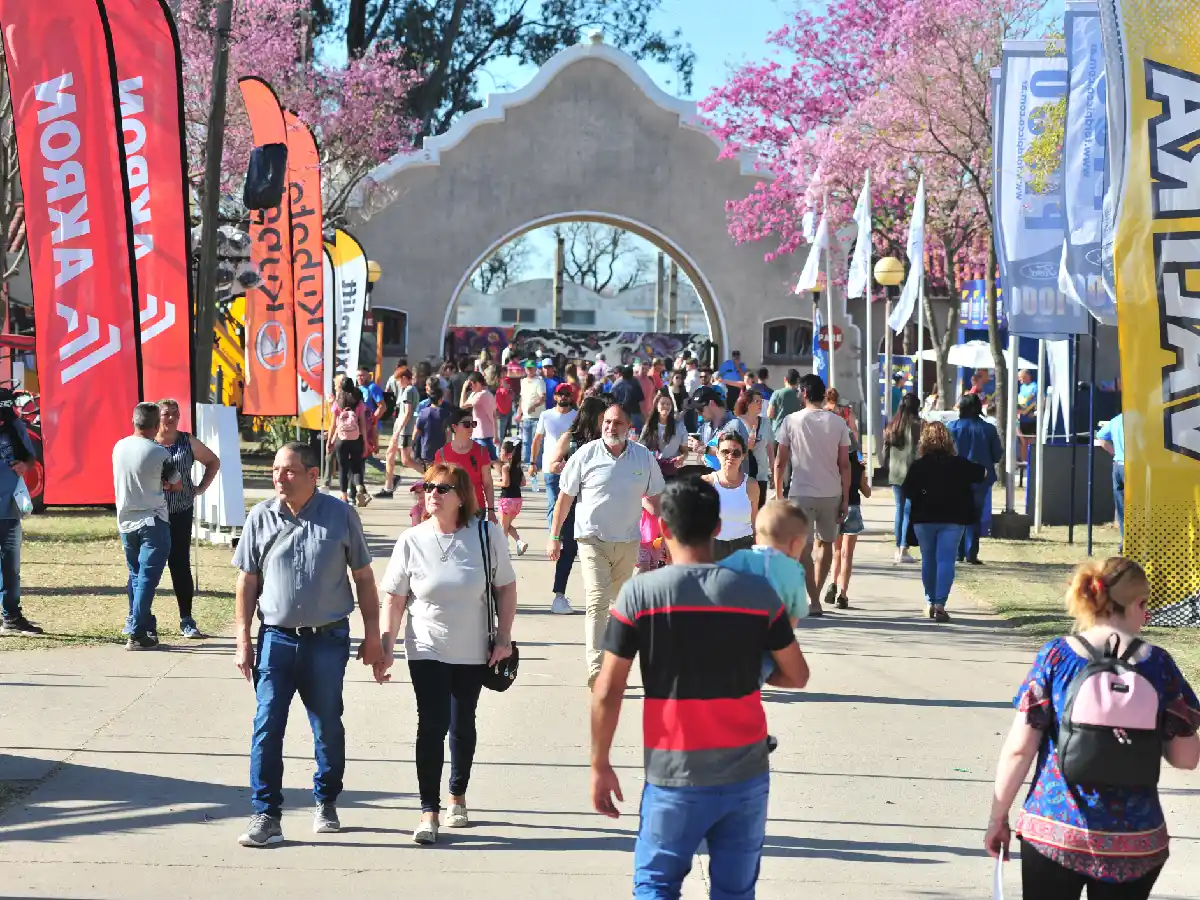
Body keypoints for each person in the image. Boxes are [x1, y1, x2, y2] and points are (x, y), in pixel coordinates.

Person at [590, 478, 810, 899]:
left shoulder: (640, 595)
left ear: (664, 531)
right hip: (744, 771)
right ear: (715, 528)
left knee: (656, 885)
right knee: (734, 892)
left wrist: (600, 763)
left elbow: (607, 690)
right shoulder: (758, 594)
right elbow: (796, 675)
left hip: (673, 773)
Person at [985, 557, 1200, 898]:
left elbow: (1019, 748)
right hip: (1135, 842)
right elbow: (1187, 758)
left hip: (1055, 832)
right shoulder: (1159, 665)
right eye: (1146, 606)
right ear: (1137, 604)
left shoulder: (1056, 657)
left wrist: (998, 818)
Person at [232, 442, 382, 847]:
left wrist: (373, 637)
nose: (280, 477)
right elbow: (246, 582)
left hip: (327, 640)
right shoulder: (260, 517)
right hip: (275, 640)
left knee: (327, 725)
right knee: (267, 726)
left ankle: (326, 799)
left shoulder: (340, 515)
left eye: (290, 471)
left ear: (313, 475)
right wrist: (242, 639)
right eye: (277, 470)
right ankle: (265, 814)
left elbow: (364, 580)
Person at [376, 462, 517, 844]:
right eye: (428, 487)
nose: (432, 494)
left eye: (441, 488)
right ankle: (428, 811)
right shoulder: (412, 539)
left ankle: (457, 793)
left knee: (462, 723)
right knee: (432, 723)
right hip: (425, 645)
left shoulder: (487, 536)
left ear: (461, 496)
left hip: (473, 649)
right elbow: (394, 598)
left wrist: (504, 637)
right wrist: (386, 644)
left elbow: (505, 587)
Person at [548, 403, 665, 686]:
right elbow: (565, 498)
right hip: (591, 539)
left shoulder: (643, 457)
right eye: (607, 423)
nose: (611, 428)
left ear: (629, 428)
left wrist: (662, 538)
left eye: (617, 423)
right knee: (597, 600)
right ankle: (597, 669)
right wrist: (554, 537)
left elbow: (655, 499)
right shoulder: (586, 454)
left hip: (627, 541)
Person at [772, 374, 850, 617]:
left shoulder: (791, 421)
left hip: (801, 492)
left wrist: (777, 494)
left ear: (804, 393)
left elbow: (779, 462)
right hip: (831, 492)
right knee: (827, 543)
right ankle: (815, 599)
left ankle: (813, 599)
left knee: (802, 549)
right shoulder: (838, 422)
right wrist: (846, 498)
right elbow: (845, 464)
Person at [720, 498, 811, 694]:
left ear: (757, 538)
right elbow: (794, 616)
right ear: (796, 544)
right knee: (763, 671)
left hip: (727, 636)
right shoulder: (794, 571)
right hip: (764, 644)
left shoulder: (738, 558)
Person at [902, 421, 986, 622]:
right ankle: (940, 603)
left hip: (924, 518)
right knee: (946, 559)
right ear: (949, 441)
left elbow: (907, 491)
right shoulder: (959, 464)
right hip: (953, 518)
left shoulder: (918, 466)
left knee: (928, 559)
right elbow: (982, 473)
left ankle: (930, 601)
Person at [113, 402, 182, 650]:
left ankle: (141, 622)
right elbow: (177, 483)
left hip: (125, 521)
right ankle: (137, 631)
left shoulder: (118, 447)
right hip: (153, 521)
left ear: (133, 421)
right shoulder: (159, 453)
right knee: (147, 579)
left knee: (136, 576)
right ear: (156, 425)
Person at [155, 398, 221, 639]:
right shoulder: (148, 442)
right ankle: (142, 620)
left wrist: (200, 488)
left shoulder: (187, 441)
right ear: (157, 417)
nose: (171, 418)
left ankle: (187, 619)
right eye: (166, 414)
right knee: (148, 566)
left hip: (181, 511)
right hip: (153, 514)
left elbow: (213, 461)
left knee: (180, 564)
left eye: (175, 413)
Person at [544, 396, 612, 616]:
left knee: (602, 549)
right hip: (573, 502)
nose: (606, 423)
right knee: (569, 551)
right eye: (603, 417)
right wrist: (569, 466)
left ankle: (604, 597)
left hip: (599, 502)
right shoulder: (570, 438)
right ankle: (559, 596)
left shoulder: (606, 439)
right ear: (592, 416)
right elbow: (552, 465)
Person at [947, 392, 1004, 565]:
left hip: (955, 478)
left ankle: (958, 553)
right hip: (981, 478)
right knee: (975, 516)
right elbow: (996, 455)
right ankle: (971, 553)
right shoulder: (988, 429)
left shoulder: (951, 427)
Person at [0, 388, 39, 637]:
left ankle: (11, 616)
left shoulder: (15, 427)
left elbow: (31, 460)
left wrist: (24, 465)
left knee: (10, 568)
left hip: (9, 510)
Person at [827, 433, 871, 610]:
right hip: (853, 508)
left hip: (834, 508)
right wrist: (864, 479)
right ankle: (843, 594)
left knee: (836, 551)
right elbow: (867, 492)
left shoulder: (832, 466)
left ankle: (832, 583)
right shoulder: (858, 468)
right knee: (847, 554)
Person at [433, 407, 496, 523]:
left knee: (474, 541)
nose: (471, 428)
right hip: (450, 508)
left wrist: (491, 509)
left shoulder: (482, 451)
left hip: (476, 508)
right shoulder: (441, 454)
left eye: (473, 424)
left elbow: (487, 483)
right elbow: (436, 484)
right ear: (454, 427)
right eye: (467, 424)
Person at [702, 431, 760, 560]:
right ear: (717, 453)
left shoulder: (751, 485)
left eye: (736, 453)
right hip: (714, 548)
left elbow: (755, 522)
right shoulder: (707, 483)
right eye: (725, 452)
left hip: (744, 548)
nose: (730, 457)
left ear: (743, 456)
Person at [529, 384, 579, 518]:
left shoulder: (577, 417)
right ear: (555, 396)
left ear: (571, 397)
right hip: (549, 467)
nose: (563, 396)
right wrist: (532, 463)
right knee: (553, 504)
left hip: (571, 469)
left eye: (567, 394)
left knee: (569, 507)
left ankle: (564, 536)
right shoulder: (546, 415)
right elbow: (537, 440)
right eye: (560, 394)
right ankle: (554, 536)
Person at [883, 393, 922, 564]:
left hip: (896, 473)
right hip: (913, 473)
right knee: (908, 509)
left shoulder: (892, 425)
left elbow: (884, 452)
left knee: (900, 508)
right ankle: (904, 548)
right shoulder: (918, 426)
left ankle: (898, 546)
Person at [376, 367, 420, 499]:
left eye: (399, 380)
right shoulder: (409, 390)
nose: (398, 383)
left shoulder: (408, 391)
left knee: (406, 461)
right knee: (390, 454)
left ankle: (431, 475)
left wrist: (398, 430)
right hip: (401, 429)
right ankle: (388, 486)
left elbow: (408, 412)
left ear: (405, 379)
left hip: (403, 430)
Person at [328, 379, 371, 507]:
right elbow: (363, 423)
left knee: (343, 468)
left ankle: (344, 497)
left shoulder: (338, 402)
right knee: (356, 466)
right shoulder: (358, 402)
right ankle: (358, 488)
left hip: (341, 439)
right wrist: (365, 441)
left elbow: (333, 425)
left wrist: (330, 440)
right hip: (356, 438)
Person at [735, 388, 773, 507]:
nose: (760, 404)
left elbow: (770, 448)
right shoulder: (737, 422)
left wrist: (773, 471)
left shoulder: (766, 422)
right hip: (742, 474)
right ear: (747, 403)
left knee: (760, 509)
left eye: (761, 401)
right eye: (757, 401)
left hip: (761, 473)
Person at [639, 393, 685, 477]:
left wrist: (682, 457)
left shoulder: (679, 426)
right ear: (656, 406)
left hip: (670, 470)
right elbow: (640, 447)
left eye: (668, 404)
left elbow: (685, 450)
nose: (666, 406)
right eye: (662, 403)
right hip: (651, 470)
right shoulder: (648, 426)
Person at [1097, 413, 1125, 545]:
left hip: (1117, 465)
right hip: (1131, 467)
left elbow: (1101, 437)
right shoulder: (1141, 419)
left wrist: (1115, 453)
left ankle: (1125, 541)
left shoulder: (1116, 420)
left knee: (1121, 508)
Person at [497, 439, 528, 556]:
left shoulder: (505, 467)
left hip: (507, 500)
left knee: (503, 528)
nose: (500, 453)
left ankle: (504, 551)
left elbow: (505, 483)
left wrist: (494, 482)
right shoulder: (518, 467)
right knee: (506, 525)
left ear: (508, 454)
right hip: (517, 500)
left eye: (502, 451)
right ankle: (519, 542)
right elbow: (523, 483)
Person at [517, 360, 547, 484]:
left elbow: (543, 397)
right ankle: (527, 463)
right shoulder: (523, 381)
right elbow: (522, 397)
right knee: (525, 441)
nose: (529, 370)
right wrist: (519, 411)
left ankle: (537, 464)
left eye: (531, 368)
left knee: (537, 442)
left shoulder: (539, 381)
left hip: (537, 417)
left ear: (535, 369)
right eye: (527, 368)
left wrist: (534, 406)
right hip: (526, 417)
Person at [461, 371, 498, 463]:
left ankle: (505, 475)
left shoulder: (481, 395)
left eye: (471, 384)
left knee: (492, 460)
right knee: (490, 460)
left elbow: (462, 405)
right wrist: (496, 434)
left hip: (482, 435)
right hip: (481, 433)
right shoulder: (487, 394)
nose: (470, 387)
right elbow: (494, 415)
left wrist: (463, 389)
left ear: (477, 383)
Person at [413, 384, 452, 468]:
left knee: (429, 472)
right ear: (441, 399)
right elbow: (448, 432)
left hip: (426, 449)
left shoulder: (423, 412)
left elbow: (417, 430)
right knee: (439, 473)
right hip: (441, 450)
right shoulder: (445, 413)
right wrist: (448, 446)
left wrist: (413, 443)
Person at [610, 365, 644, 431]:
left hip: (621, 413)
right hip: (635, 414)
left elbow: (611, 399)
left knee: (621, 433)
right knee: (635, 435)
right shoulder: (635, 382)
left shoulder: (617, 384)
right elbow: (641, 399)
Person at [633, 362, 656, 431]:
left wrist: (652, 411)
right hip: (635, 412)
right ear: (639, 368)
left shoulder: (650, 381)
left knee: (644, 434)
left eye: (646, 369)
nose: (644, 371)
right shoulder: (634, 380)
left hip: (647, 413)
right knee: (634, 434)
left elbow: (653, 396)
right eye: (643, 368)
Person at [494, 375, 514, 440]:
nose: (508, 385)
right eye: (505, 383)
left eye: (508, 383)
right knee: (501, 436)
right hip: (501, 415)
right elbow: (497, 402)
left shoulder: (508, 391)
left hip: (506, 414)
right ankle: (499, 449)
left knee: (503, 435)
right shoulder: (501, 391)